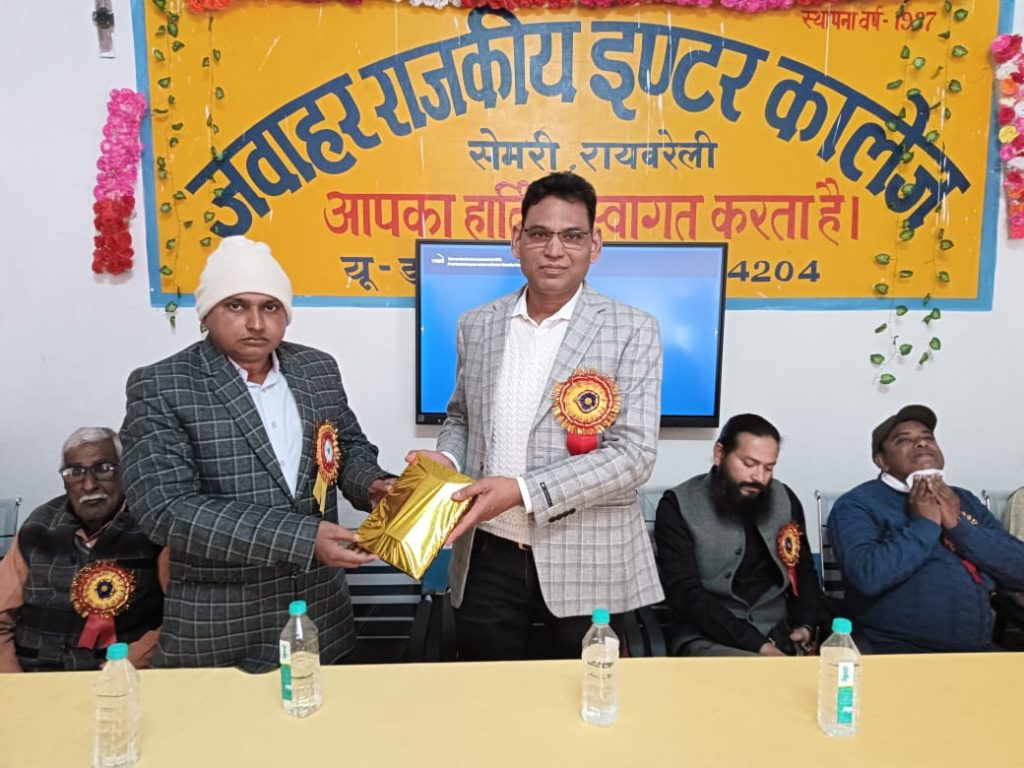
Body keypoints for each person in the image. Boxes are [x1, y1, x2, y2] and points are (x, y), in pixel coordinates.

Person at [408, 172, 664, 660]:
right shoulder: (477, 325)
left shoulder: (633, 329)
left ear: (594, 245)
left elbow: (634, 456)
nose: (554, 250)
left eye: (572, 236)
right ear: (517, 241)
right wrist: (447, 460)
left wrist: (522, 491)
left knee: (582, 696)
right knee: (490, 693)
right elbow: (461, 419)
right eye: (540, 234)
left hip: (588, 557)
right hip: (487, 556)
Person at [120, 237, 395, 672]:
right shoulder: (162, 385)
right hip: (220, 627)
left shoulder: (316, 369)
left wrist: (374, 485)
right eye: (236, 306)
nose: (255, 322)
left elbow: (346, 448)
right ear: (206, 313)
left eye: (270, 307)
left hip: (320, 615)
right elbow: (165, 509)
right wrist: (303, 538)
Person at [828, 404, 1024, 653]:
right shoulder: (857, 504)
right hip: (897, 648)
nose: (921, 443)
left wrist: (959, 527)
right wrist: (925, 524)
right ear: (881, 460)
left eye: (928, 438)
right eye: (904, 440)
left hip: (975, 648)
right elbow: (868, 576)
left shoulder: (963, 500)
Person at [655, 414, 828, 657]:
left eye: (769, 468)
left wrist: (806, 625)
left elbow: (804, 572)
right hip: (709, 637)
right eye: (749, 464)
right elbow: (686, 593)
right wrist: (759, 646)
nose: (759, 478)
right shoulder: (678, 505)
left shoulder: (785, 499)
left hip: (781, 633)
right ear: (719, 454)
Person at [0, 427, 168, 672]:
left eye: (104, 468)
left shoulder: (153, 524)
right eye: (75, 472)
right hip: (34, 674)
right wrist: (12, 683)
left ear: (125, 471)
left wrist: (123, 667)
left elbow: (180, 615)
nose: (89, 485)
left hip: (123, 675)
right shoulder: (37, 526)